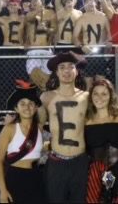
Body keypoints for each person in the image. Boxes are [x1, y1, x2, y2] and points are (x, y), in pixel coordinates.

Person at [39, 51, 90, 202]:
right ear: (56, 72)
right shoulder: (46, 97)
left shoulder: (87, 97)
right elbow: (35, 126)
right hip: (56, 162)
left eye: (70, 66)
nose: (67, 71)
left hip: (80, 162)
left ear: (77, 70)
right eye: (62, 67)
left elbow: (103, 118)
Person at [0, 81, 45, 204]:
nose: (27, 107)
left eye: (31, 103)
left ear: (36, 107)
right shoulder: (9, 129)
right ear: (16, 108)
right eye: (22, 104)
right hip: (15, 178)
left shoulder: (39, 128)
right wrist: (2, 190)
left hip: (37, 178)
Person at [73, 0, 111, 89]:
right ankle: (89, 103)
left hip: (100, 53)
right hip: (88, 53)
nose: (90, 4)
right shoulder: (81, 18)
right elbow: (74, 37)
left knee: (101, 83)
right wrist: (82, 46)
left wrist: (108, 47)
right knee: (88, 83)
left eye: (92, 1)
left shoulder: (103, 17)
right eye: (87, 2)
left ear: (95, 2)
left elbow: (109, 36)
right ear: (84, 5)